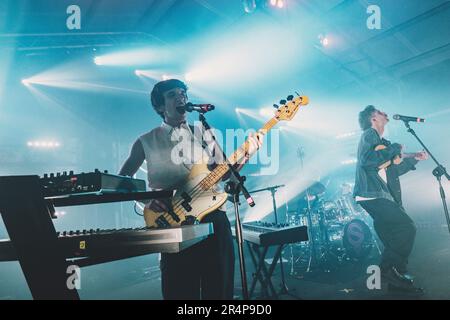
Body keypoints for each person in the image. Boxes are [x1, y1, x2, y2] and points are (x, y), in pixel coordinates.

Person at [119, 79, 263, 299]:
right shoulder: (146, 141)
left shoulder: (204, 132)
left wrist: (248, 152)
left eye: (183, 93)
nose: (181, 97)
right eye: (172, 95)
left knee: (219, 291)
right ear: (159, 107)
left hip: (214, 220)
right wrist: (145, 202)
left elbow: (224, 173)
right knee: (179, 292)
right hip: (172, 224)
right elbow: (122, 180)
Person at [353, 105, 428, 293]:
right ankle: (386, 271)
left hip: (379, 195)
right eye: (379, 112)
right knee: (406, 227)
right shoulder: (369, 134)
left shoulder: (382, 143)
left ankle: (397, 280)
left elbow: (393, 170)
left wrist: (413, 159)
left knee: (393, 239)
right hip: (372, 194)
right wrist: (394, 148)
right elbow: (368, 161)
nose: (384, 113)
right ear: (373, 119)